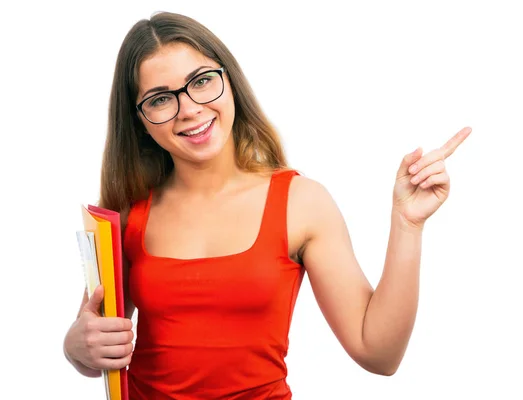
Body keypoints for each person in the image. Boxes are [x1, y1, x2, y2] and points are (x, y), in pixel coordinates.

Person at [62, 11, 471, 400]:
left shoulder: (301, 202)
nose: (189, 109)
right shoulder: (126, 212)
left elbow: (378, 353)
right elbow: (95, 339)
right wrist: (75, 346)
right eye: (160, 99)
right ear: (139, 119)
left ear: (230, 79)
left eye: (201, 81)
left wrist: (407, 224)